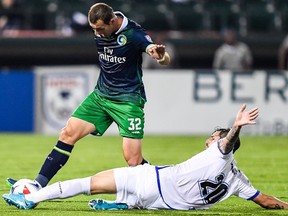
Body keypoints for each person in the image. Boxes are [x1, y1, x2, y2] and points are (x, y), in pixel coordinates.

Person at [6, 2, 170, 188]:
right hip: (100, 96)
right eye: (94, 29)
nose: (98, 33)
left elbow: (159, 56)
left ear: (113, 21)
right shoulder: (100, 26)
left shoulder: (134, 34)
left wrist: (160, 55)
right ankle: (38, 184)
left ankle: (165, 185)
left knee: (133, 160)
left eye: (100, 29)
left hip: (127, 101)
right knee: (68, 133)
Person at [3, 104, 288, 211]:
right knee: (134, 194)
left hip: (151, 180)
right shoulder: (238, 180)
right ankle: (121, 204)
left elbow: (227, 144)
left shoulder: (219, 154)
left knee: (84, 183)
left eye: (215, 136)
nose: (211, 138)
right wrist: (285, 204)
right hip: (161, 204)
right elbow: (264, 201)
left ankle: (30, 199)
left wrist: (236, 125)